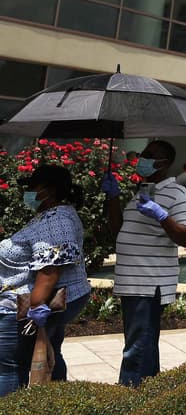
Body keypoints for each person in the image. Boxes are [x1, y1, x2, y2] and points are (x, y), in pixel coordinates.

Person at [103, 140, 186, 386]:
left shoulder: (177, 192)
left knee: (137, 349)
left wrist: (162, 216)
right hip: (132, 281)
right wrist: (112, 198)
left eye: (149, 155)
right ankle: (150, 391)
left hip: (148, 282)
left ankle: (130, 396)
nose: (142, 158)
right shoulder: (142, 191)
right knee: (142, 344)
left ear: (163, 163)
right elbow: (118, 230)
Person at [0, 165, 92, 395]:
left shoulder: (55, 219)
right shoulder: (53, 214)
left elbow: (50, 269)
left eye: (32, 188)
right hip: (46, 300)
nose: (27, 193)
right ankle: (55, 401)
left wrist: (35, 308)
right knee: (51, 352)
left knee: (9, 366)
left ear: (48, 190)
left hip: (24, 305)